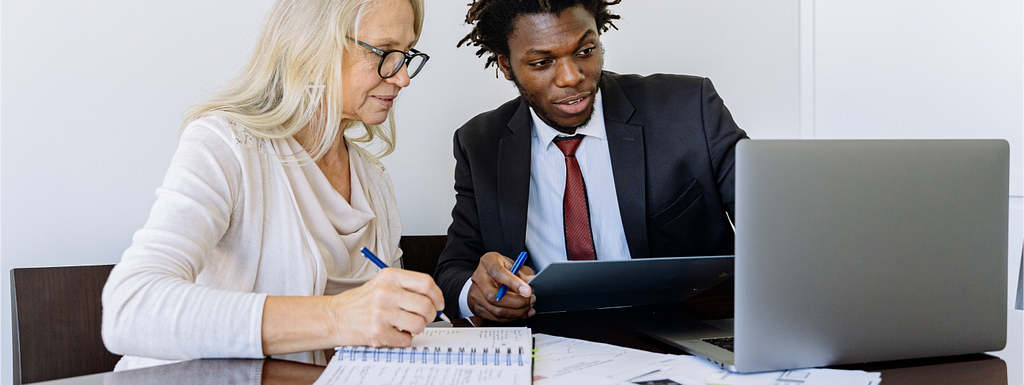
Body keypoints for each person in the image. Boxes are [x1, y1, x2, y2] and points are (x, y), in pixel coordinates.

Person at [101, 0, 443, 370]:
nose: (403, 77)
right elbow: (131, 307)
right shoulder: (226, 145)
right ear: (312, 43)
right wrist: (337, 317)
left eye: (407, 55)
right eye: (386, 52)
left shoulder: (373, 178)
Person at [434, 0, 749, 322]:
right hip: (547, 342)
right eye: (542, 62)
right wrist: (477, 295)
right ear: (505, 65)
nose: (571, 77)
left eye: (585, 51)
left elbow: (773, 227)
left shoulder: (688, 109)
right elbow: (453, 269)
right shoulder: (480, 142)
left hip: (690, 329)